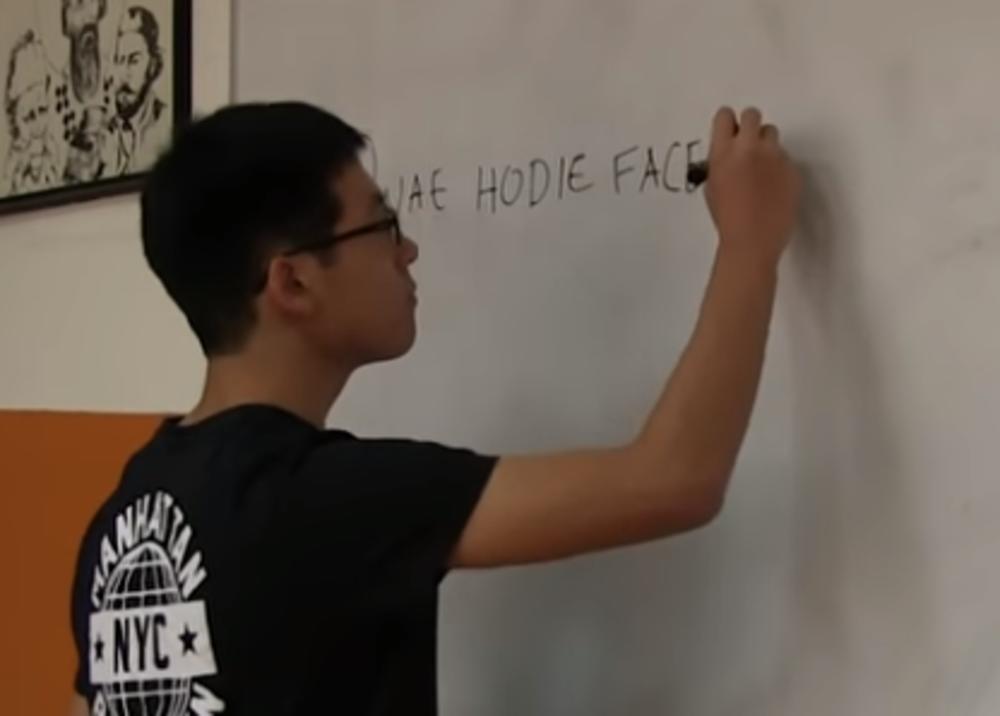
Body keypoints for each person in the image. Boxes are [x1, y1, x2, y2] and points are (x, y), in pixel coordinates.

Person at [68, 101, 801, 716]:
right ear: (292, 284)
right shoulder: (321, 499)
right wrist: (749, 243)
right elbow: (675, 478)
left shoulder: (128, 514)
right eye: (381, 225)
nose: (408, 251)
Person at [105, 5, 170, 175]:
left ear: (153, 65)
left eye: (134, 61)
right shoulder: (104, 132)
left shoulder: (165, 124)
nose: (124, 73)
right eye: (119, 60)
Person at [2, 30, 61, 195]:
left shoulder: (51, 145)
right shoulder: (15, 157)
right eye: (28, 117)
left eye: (42, 110)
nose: (37, 124)